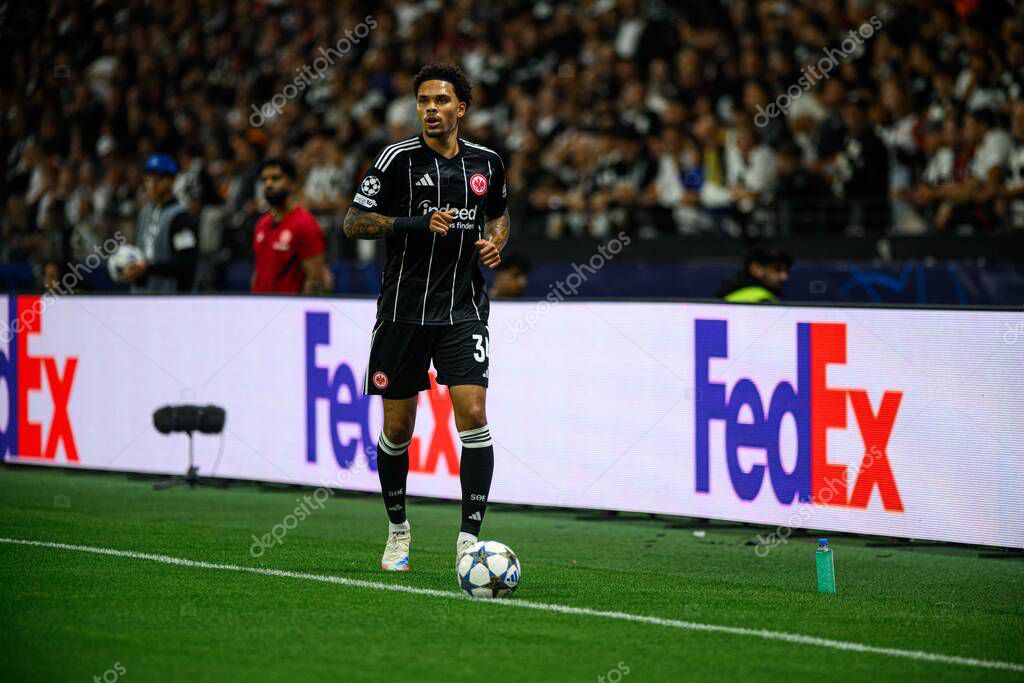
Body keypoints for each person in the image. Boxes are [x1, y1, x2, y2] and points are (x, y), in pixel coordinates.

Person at [342, 63, 510, 571]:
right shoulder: (396, 159)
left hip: (462, 308)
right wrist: (415, 222)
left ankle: (469, 540)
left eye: (440, 101)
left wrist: (493, 243)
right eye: (423, 101)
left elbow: (498, 215)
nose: (430, 109)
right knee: (398, 427)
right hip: (402, 312)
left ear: (462, 107)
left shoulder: (487, 163)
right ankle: (398, 532)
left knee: (475, 415)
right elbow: (353, 223)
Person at [251, 157, 329, 294]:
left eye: (275, 178)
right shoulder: (261, 224)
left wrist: (300, 311)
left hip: (289, 310)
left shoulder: (305, 223)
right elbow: (258, 271)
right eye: (264, 180)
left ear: (292, 184)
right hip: (260, 308)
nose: (268, 184)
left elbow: (316, 278)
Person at [123, 154, 198, 293]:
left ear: (171, 181)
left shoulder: (180, 218)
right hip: (141, 295)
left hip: (167, 298)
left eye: (158, 179)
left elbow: (186, 263)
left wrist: (148, 268)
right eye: (148, 179)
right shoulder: (145, 213)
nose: (152, 184)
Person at [716, 245, 791, 303]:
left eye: (786, 270)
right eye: (777, 269)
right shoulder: (764, 301)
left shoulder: (726, 295)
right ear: (756, 268)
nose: (784, 277)